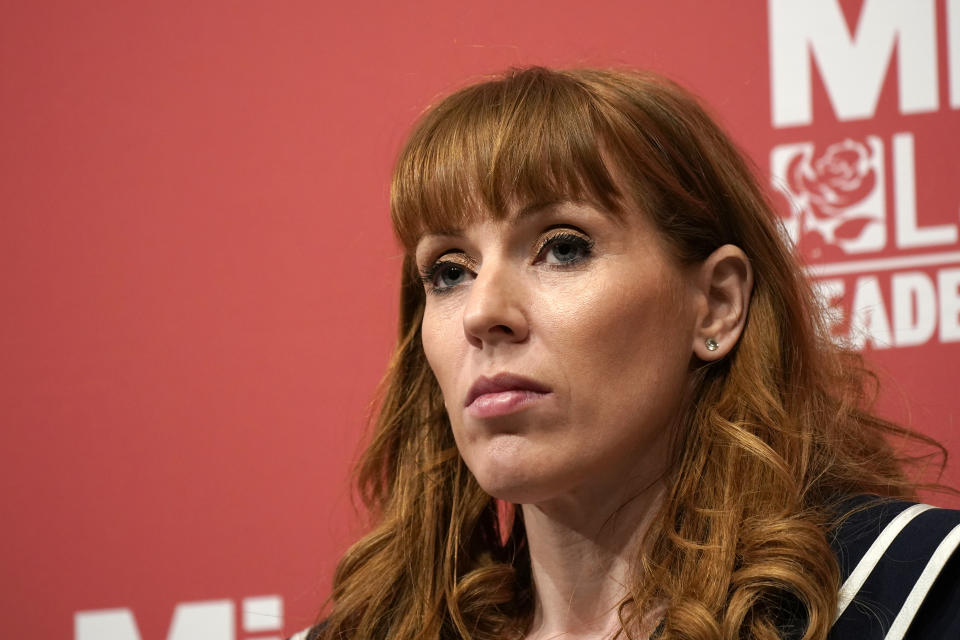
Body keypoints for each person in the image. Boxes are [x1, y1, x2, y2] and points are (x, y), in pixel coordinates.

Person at [289, 67, 960, 640]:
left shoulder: (908, 591)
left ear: (717, 305)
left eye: (563, 247)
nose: (483, 313)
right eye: (449, 271)